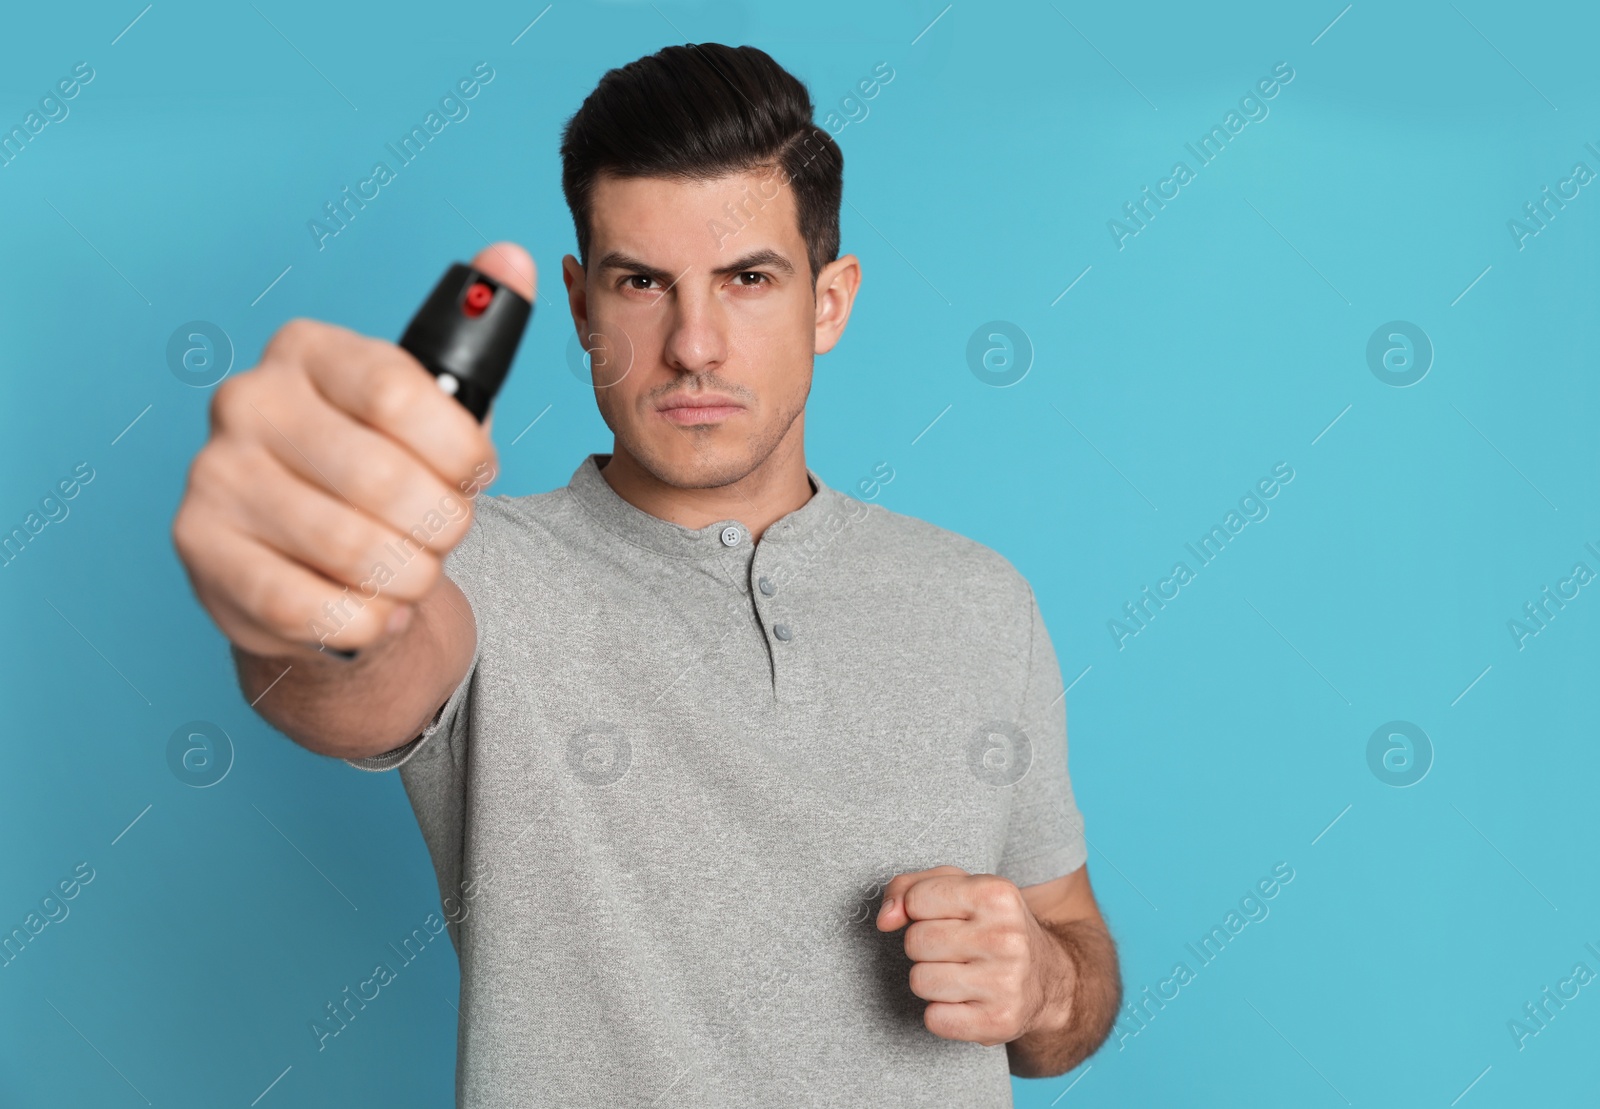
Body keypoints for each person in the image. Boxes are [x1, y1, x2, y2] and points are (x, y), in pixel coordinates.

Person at [172, 42, 1121, 1106]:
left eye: (748, 279)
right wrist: (306, 596)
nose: (693, 345)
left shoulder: (981, 599)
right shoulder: (473, 571)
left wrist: (1045, 983)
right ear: (580, 303)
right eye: (641, 284)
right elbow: (353, 665)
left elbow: (1073, 951)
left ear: (829, 301)